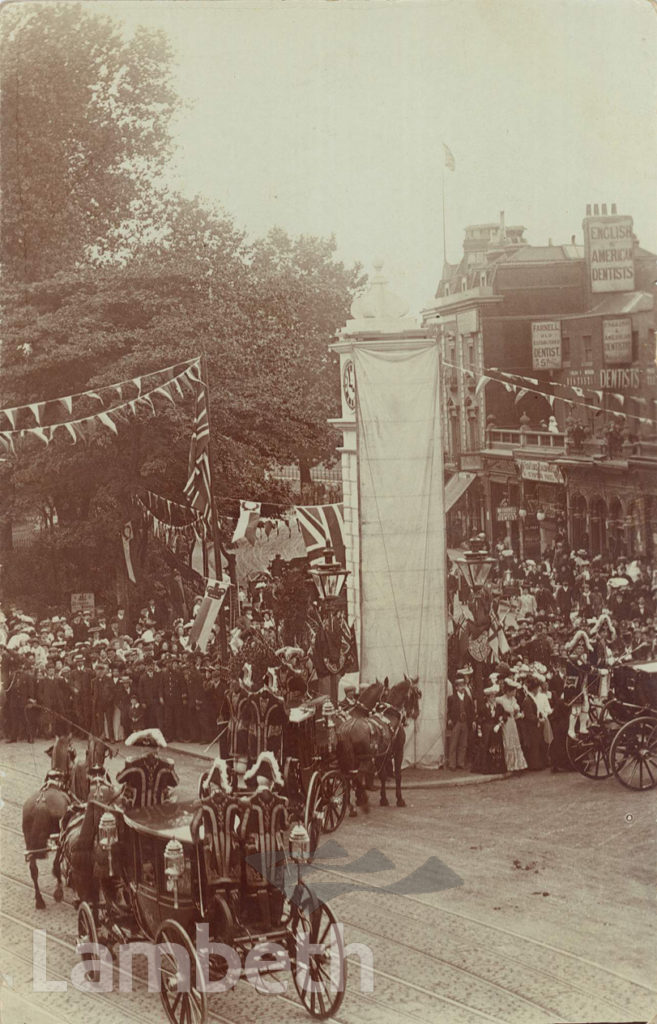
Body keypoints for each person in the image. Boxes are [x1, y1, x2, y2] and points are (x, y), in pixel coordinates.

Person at [495, 678, 528, 773]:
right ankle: (509, 765)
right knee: (507, 741)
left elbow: (516, 713)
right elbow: (499, 711)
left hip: (513, 722)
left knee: (514, 741)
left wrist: (520, 714)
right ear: (508, 691)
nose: (515, 692)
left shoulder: (514, 699)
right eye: (513, 690)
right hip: (506, 722)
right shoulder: (500, 700)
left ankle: (516, 764)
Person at [446, 669, 475, 771]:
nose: (462, 687)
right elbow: (448, 711)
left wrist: (472, 721)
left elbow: (471, 711)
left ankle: (460, 763)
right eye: (460, 686)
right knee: (453, 743)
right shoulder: (452, 698)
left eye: (463, 685)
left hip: (465, 722)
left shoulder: (467, 698)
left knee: (463, 744)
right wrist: (449, 719)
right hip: (456, 722)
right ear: (456, 687)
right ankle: (452, 764)